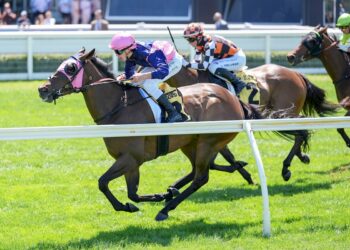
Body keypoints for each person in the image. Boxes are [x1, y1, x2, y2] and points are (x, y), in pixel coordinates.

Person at [109, 32, 183, 123]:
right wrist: (124, 77)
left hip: (172, 62)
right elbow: (130, 75)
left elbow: (163, 71)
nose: (116, 55)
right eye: (115, 51)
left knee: (148, 84)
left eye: (118, 51)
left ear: (128, 49)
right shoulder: (130, 55)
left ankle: (173, 112)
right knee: (135, 82)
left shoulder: (148, 54)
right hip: (157, 63)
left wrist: (142, 76)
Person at [182, 22, 247, 96]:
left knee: (212, 66)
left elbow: (204, 66)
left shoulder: (209, 45)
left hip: (238, 58)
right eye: (187, 40)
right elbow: (196, 61)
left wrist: (187, 64)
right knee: (211, 65)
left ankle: (238, 83)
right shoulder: (200, 44)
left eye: (190, 39)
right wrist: (187, 65)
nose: (189, 42)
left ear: (199, 37)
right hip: (229, 57)